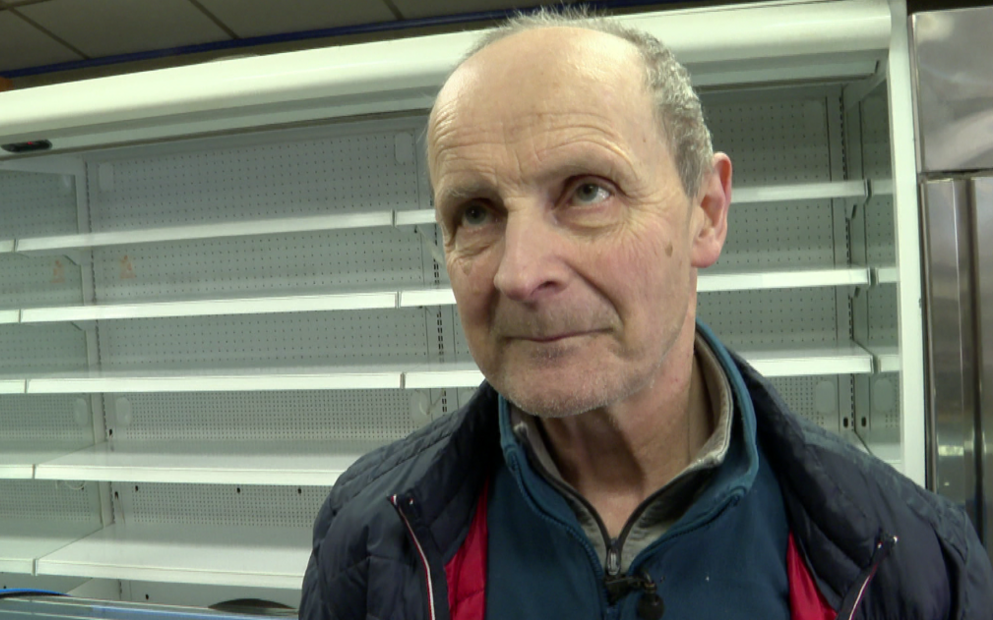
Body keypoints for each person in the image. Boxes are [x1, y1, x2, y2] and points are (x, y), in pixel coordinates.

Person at [300, 11, 993, 620]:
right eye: (475, 212)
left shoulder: (912, 559)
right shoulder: (370, 537)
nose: (519, 273)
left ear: (706, 214)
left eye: (588, 191)